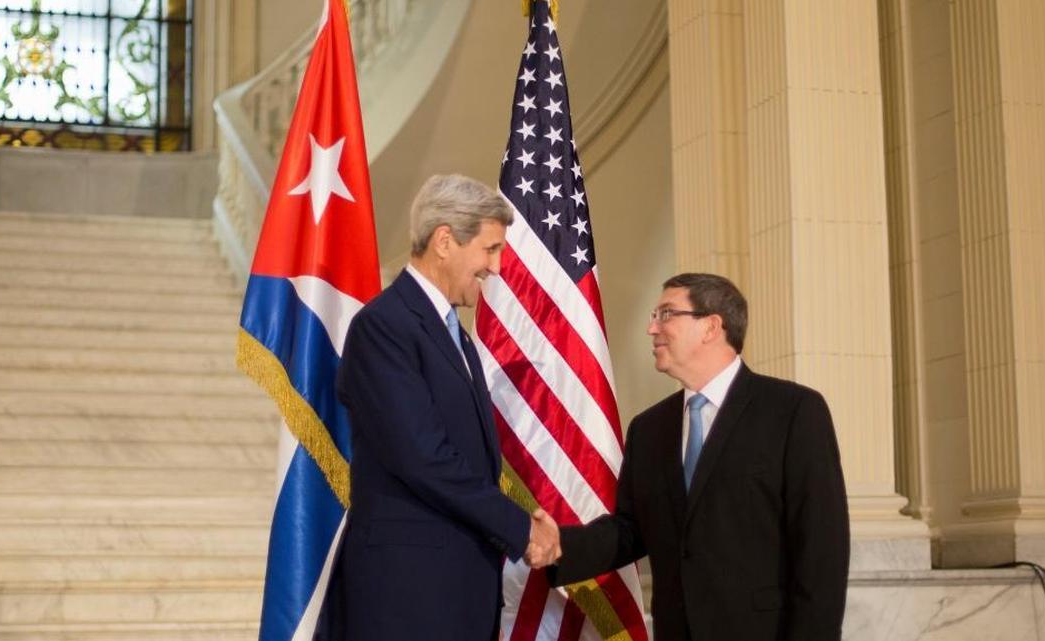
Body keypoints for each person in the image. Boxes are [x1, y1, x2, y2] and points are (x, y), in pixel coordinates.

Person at [538, 272, 849, 641]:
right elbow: (629, 530)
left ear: (711, 327)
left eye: (666, 314)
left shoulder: (793, 411)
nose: (652, 328)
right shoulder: (649, 428)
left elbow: (821, 551)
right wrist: (560, 545)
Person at [332, 174, 559, 641]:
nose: (495, 267)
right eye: (489, 249)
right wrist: (519, 527)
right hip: (407, 595)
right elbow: (423, 457)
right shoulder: (383, 327)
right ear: (444, 241)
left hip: (456, 590)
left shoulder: (455, 335)